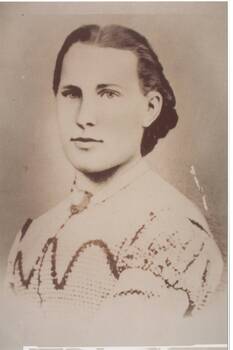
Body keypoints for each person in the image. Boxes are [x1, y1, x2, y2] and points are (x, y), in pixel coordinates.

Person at [4, 24, 223, 344]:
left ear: (150, 108)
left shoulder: (172, 231)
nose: (84, 116)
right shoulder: (35, 231)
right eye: (71, 94)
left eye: (108, 93)